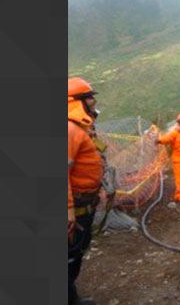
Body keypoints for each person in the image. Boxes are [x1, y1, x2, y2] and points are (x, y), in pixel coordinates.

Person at [68, 77, 103, 305]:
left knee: (74, 254)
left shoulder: (81, 128)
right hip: (75, 211)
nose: (93, 101)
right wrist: (68, 210)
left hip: (84, 204)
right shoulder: (70, 130)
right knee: (69, 256)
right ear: (76, 101)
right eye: (89, 97)